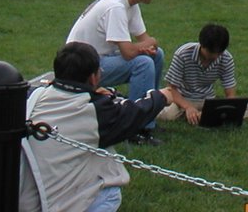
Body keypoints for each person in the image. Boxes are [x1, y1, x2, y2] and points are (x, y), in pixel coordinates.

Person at [18, 41, 173, 212]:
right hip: (54, 203)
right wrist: (162, 96)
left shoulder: (36, 95)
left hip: (23, 196)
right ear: (93, 77)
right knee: (110, 189)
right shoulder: (94, 112)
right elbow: (134, 113)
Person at [66, 0, 166, 145]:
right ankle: (134, 128)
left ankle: (150, 115)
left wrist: (149, 45)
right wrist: (147, 44)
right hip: (84, 67)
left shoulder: (129, 3)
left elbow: (145, 40)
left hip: (102, 57)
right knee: (142, 63)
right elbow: (128, 53)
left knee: (156, 55)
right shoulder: (116, 7)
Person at [157, 23, 248, 123]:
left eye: (219, 53)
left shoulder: (226, 58)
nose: (215, 56)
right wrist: (188, 107)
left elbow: (230, 92)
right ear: (202, 45)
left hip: (208, 99)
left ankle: (200, 116)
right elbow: (172, 88)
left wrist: (229, 107)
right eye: (211, 52)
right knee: (168, 115)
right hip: (183, 97)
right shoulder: (183, 54)